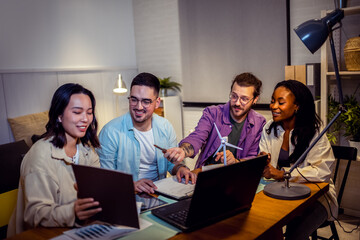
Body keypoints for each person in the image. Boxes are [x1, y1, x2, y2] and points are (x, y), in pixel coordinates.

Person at [7, 83, 102, 237]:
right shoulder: (40, 155)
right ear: (59, 115)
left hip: (77, 231)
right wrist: (73, 212)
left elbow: (97, 194)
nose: (85, 119)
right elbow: (34, 215)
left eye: (89, 112)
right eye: (77, 112)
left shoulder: (87, 152)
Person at [259, 80, 338, 240]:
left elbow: (321, 173)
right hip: (279, 194)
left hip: (318, 199)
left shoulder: (315, 134)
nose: (274, 106)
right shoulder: (269, 128)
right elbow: (267, 166)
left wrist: (283, 174)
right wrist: (262, 163)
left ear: (297, 106)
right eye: (273, 101)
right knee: (263, 224)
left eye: (281, 102)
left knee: (294, 234)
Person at [97, 72, 196, 194]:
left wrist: (180, 168)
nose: (138, 107)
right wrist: (132, 185)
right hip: (126, 195)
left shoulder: (165, 126)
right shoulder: (110, 132)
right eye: (134, 100)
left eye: (146, 101)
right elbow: (104, 178)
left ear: (157, 103)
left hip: (159, 193)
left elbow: (171, 163)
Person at [165, 72, 266, 168]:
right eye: (234, 96)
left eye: (244, 99)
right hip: (208, 174)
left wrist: (235, 162)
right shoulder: (213, 113)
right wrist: (183, 151)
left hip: (239, 177)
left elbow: (253, 158)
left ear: (255, 99)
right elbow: (198, 136)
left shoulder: (259, 123)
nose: (237, 103)